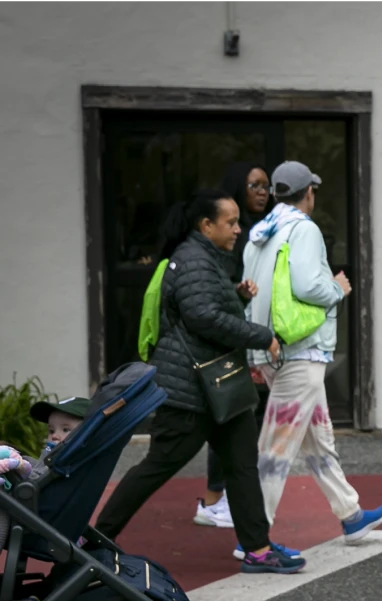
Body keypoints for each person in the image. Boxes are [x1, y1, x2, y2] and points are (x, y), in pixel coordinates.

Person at [95, 189, 305, 575]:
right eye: (230, 222)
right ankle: (93, 539)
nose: (238, 229)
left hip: (218, 389)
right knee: (158, 466)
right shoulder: (193, 259)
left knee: (242, 465)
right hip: (191, 391)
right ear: (206, 225)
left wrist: (237, 297)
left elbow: (202, 310)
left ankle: (257, 549)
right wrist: (261, 336)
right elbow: (203, 318)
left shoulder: (205, 258)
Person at [243, 161, 382, 551]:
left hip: (272, 348)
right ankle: (252, 539)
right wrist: (337, 288)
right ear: (308, 192)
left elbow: (250, 293)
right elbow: (309, 285)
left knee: (318, 439)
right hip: (302, 350)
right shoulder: (304, 230)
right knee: (275, 448)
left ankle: (351, 515)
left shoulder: (260, 233)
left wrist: (254, 353)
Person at [195, 162, 274, 531]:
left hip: (246, 333)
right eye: (254, 185)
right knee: (228, 415)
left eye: (266, 185)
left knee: (238, 418)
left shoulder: (260, 229)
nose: (262, 192)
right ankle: (215, 499)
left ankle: (222, 500)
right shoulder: (225, 239)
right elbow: (215, 295)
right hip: (233, 340)